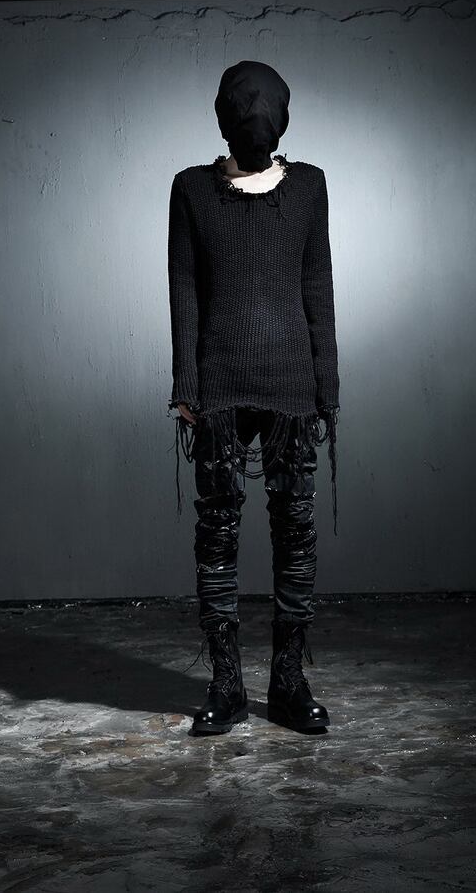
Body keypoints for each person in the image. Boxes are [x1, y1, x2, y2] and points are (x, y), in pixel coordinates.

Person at [166, 60, 340, 737]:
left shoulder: (309, 187)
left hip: (292, 385)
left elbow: (318, 284)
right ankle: (227, 683)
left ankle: (289, 682)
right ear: (221, 119)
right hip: (218, 384)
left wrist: (326, 386)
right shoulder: (192, 189)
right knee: (217, 533)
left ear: (285, 120)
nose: (255, 124)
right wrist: (186, 386)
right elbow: (184, 288)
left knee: (295, 531)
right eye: (243, 113)